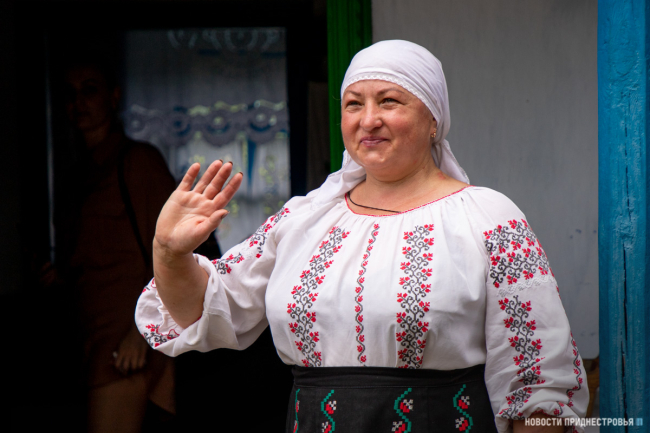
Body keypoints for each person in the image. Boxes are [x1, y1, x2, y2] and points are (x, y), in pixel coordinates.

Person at [135, 40, 588, 432]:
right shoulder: (304, 219)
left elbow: (539, 376)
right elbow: (209, 311)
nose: (368, 120)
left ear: (434, 119)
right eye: (354, 104)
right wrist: (169, 252)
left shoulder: (488, 218)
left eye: (389, 101)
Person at [53, 58, 177, 432]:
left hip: (126, 343)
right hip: (89, 338)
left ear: (113, 96)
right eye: (70, 94)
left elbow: (178, 251)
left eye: (89, 90)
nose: (79, 101)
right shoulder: (78, 175)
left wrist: (142, 333)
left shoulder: (137, 162)